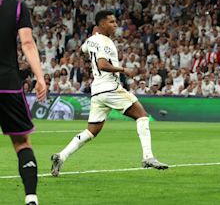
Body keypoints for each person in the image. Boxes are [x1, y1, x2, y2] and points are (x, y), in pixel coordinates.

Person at [50, 10, 168, 177]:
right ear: (103, 24)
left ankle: (61, 156)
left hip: (97, 91)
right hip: (110, 88)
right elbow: (103, 64)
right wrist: (123, 69)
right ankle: (148, 157)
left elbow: (84, 48)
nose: (115, 25)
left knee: (91, 131)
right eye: (112, 22)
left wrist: (93, 34)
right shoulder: (105, 42)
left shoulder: (92, 40)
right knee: (142, 116)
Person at [0, 0, 47, 204]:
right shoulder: (17, 6)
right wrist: (39, 77)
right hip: (8, 86)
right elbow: (27, 44)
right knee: (21, 144)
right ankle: (31, 198)